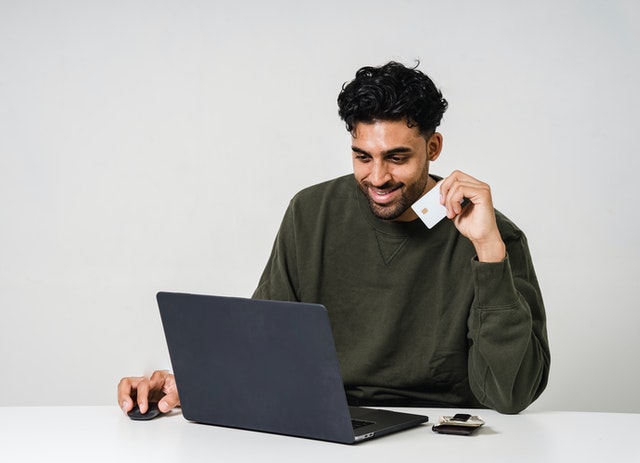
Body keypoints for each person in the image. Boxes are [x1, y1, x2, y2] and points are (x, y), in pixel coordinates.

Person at [118, 61, 550, 416]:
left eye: (397, 158)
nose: (377, 177)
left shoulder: (493, 235)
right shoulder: (311, 213)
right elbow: (264, 345)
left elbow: (510, 395)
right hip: (327, 424)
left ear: (433, 147)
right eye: (363, 157)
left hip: (443, 433)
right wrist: (188, 383)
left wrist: (489, 254)